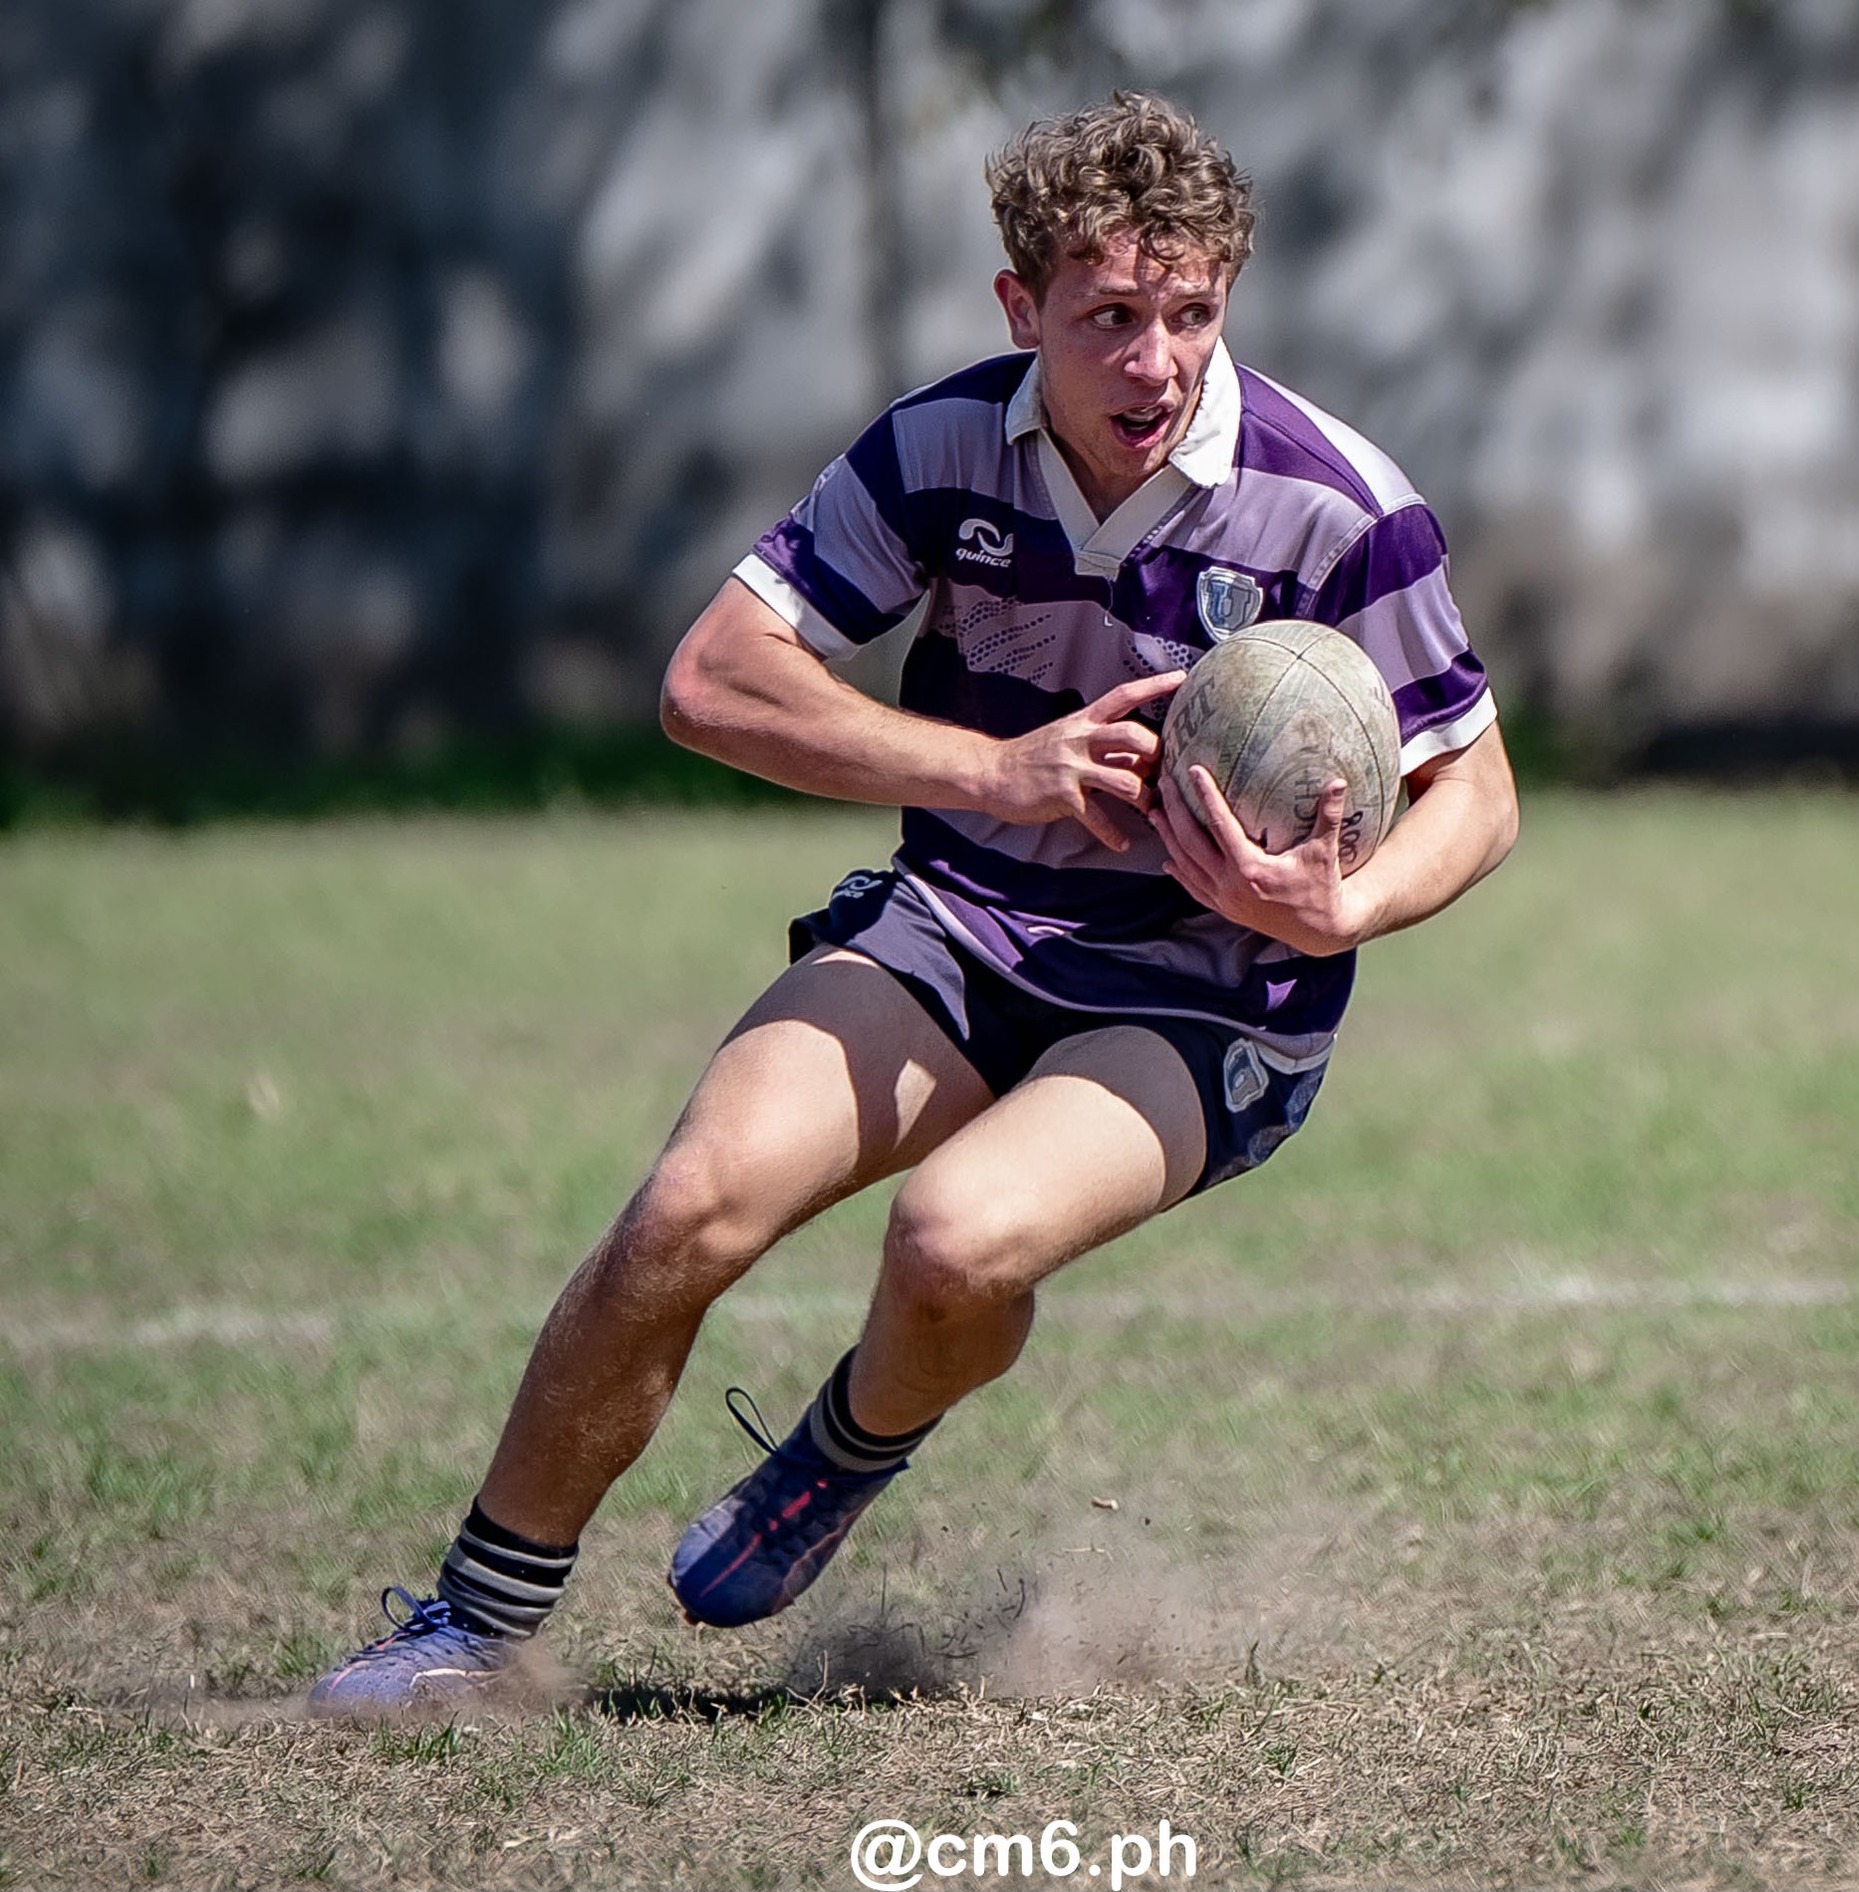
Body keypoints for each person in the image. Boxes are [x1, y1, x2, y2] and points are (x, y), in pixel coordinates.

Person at [308, 91, 1517, 1713]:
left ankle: (846, 1444)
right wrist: (993, 772)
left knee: (951, 1244)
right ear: (1021, 310)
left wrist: (1337, 910)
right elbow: (709, 683)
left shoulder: (1336, 505)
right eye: (1108, 319)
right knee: (688, 1207)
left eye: (1191, 315)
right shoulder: (941, 447)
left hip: (1204, 994)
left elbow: (1481, 793)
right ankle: (468, 1630)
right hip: (956, 922)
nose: (1156, 361)